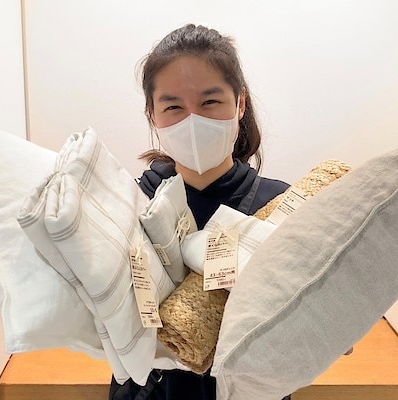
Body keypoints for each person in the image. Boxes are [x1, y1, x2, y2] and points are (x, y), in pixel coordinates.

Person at [109, 24, 290, 400]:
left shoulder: (281, 208)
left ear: (240, 103)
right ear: (152, 114)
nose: (192, 121)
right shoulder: (129, 205)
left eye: (210, 102)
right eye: (173, 106)